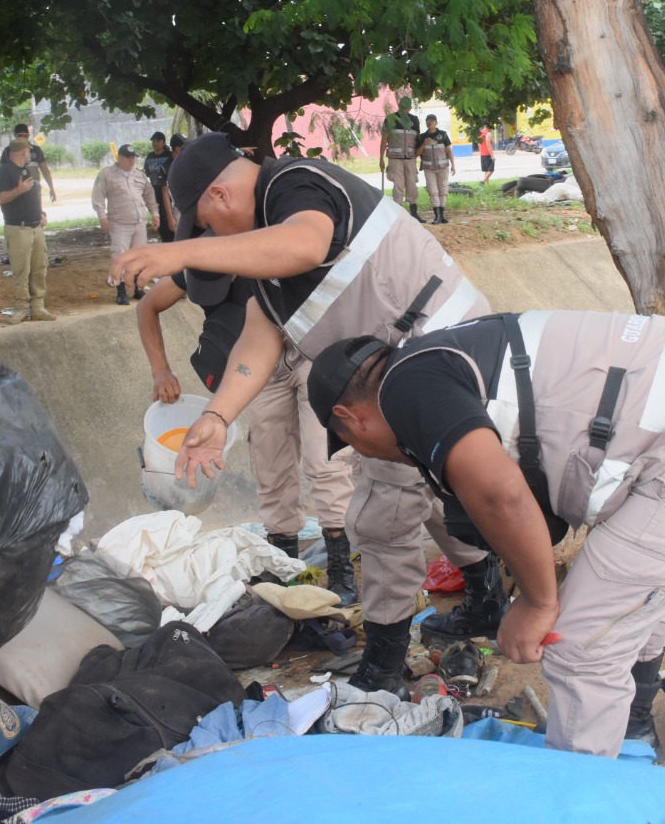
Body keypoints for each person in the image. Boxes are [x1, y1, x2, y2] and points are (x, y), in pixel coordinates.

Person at [107, 132, 495, 694]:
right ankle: (487, 595)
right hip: (412, 370)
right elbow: (257, 344)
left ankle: (385, 659)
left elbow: (307, 245)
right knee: (432, 491)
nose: (212, 238)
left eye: (207, 227)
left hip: (436, 356)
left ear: (218, 195)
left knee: (381, 513)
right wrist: (216, 417)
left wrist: (180, 252)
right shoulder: (270, 268)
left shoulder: (296, 184)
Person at [305, 311, 665, 759]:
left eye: (349, 445)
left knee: (578, 648)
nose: (366, 454)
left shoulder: (405, 388)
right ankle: (632, 730)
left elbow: (500, 495)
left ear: (349, 419)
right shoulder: (436, 355)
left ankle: (578, 795)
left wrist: (536, 603)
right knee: (624, 601)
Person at [135, 271, 357, 602]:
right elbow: (147, 305)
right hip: (258, 368)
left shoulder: (272, 236)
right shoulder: (203, 260)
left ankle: (342, 570)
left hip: (312, 353)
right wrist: (160, 370)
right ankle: (284, 569)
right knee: (270, 467)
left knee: (324, 462)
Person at [0, 139, 55, 322]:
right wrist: (18, 190)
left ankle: (38, 307)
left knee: (39, 268)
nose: (30, 155)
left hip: (35, 226)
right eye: (29, 152)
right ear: (23, 152)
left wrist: (40, 213)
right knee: (21, 270)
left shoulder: (26, 170)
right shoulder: (5, 171)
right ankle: (21, 308)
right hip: (18, 228)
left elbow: (33, 196)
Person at [92, 144, 158, 304]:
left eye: (133, 157)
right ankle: (121, 291)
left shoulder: (139, 175)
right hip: (119, 223)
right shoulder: (107, 174)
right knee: (120, 257)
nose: (132, 160)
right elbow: (98, 196)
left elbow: (149, 195)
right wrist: (102, 217)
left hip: (139, 223)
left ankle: (138, 288)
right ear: (119, 158)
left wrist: (155, 213)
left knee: (139, 257)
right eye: (128, 157)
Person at [380, 101, 423, 222]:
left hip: (410, 158)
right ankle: (398, 216)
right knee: (398, 185)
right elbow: (384, 139)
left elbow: (417, 139)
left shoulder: (414, 119)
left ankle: (414, 213)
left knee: (411, 184)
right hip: (395, 158)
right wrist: (381, 159)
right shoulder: (390, 119)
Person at [0, 124, 57, 202]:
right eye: (19, 135)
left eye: (25, 135)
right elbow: (1, 173)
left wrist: (51, 188)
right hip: (15, 190)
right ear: (15, 136)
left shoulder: (36, 150)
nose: (22, 137)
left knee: (37, 212)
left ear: (28, 135)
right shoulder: (7, 151)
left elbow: (45, 171)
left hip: (35, 189)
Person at [415, 114, 455, 225]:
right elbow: (417, 153)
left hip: (443, 168)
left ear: (436, 122)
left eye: (432, 120)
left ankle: (442, 215)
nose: (429, 122)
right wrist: (424, 144)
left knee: (443, 190)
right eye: (427, 120)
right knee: (433, 191)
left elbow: (449, 151)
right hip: (429, 169)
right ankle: (437, 216)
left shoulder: (443, 134)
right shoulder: (422, 137)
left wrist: (453, 165)